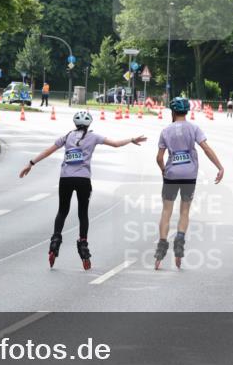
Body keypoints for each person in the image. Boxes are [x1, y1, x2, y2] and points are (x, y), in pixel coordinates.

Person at [20, 111, 146, 270]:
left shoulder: (67, 137)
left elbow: (48, 151)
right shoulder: (93, 137)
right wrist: (131, 139)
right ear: (89, 124)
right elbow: (115, 144)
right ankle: (83, 245)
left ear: (74, 123)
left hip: (65, 178)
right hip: (83, 180)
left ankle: (55, 242)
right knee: (82, 214)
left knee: (62, 211)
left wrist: (30, 163)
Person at [153, 97, 225, 270]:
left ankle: (161, 249)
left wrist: (164, 170)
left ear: (172, 111)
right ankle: (179, 240)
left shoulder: (166, 131)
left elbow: (159, 157)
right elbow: (206, 149)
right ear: (187, 111)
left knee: (166, 211)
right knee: (184, 211)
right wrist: (219, 167)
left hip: (171, 175)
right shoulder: (193, 128)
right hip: (189, 175)